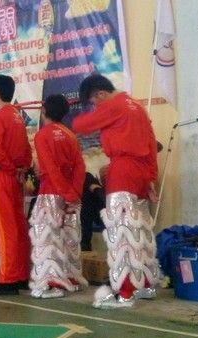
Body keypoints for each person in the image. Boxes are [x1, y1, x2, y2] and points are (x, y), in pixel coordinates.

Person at [72, 74, 160, 309]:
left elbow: (81, 126)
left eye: (93, 102)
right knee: (140, 233)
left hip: (122, 172)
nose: (95, 107)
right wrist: (150, 179)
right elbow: (152, 145)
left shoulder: (115, 104)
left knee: (121, 233)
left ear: (101, 93)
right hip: (141, 174)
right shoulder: (137, 107)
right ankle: (145, 284)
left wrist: (80, 114)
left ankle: (125, 292)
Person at [28, 95, 87, 299]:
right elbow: (80, 167)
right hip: (70, 196)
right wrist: (74, 194)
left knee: (48, 239)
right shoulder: (70, 135)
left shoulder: (42, 135)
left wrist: (66, 193)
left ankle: (53, 283)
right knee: (69, 238)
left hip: (51, 193)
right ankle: (72, 279)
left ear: (44, 111)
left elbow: (51, 169)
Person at [0, 75, 32, 295]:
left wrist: (12, 169)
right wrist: (21, 169)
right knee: (17, 226)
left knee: (4, 228)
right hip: (16, 177)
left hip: (2, 176)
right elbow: (26, 149)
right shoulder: (17, 116)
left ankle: (8, 278)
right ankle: (21, 274)